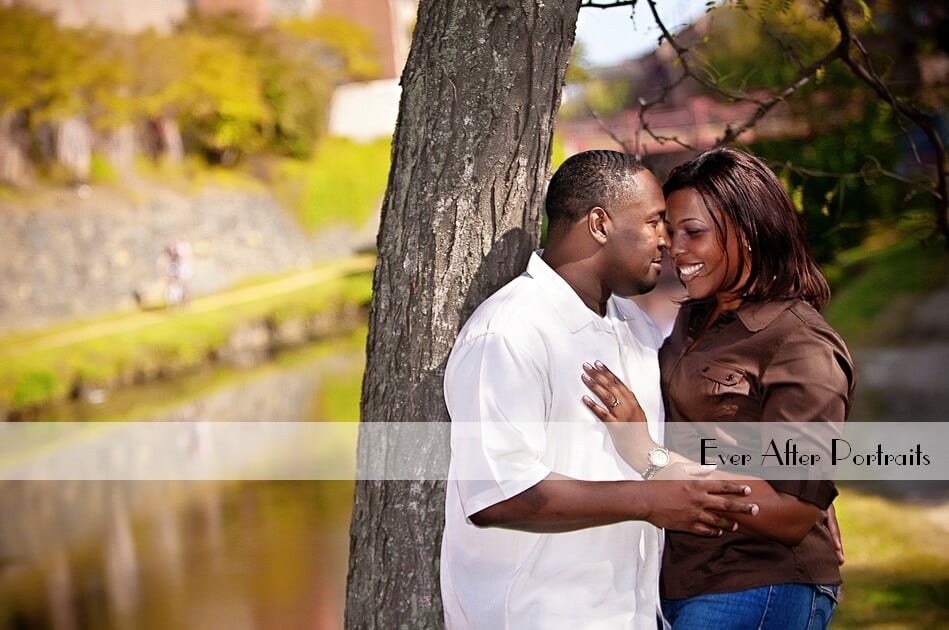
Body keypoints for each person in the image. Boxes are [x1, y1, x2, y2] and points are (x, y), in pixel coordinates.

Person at [440, 150, 760, 629]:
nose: (667, 242)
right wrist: (649, 500)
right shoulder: (509, 334)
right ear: (599, 224)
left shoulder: (633, 325)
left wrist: (803, 506)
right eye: (654, 222)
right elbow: (497, 494)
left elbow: (664, 446)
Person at [581, 147, 855, 630]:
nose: (673, 246)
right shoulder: (695, 318)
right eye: (669, 229)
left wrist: (649, 455)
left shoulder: (800, 343)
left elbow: (790, 513)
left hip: (761, 583)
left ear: (747, 233)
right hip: (684, 580)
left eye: (693, 232)